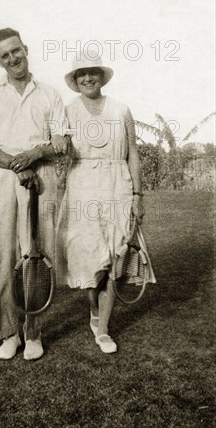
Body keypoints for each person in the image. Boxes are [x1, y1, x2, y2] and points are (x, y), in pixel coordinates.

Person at [0, 28, 67, 361]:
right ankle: (9, 333)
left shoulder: (50, 95)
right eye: (5, 55)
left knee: (36, 256)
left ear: (26, 49)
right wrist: (17, 164)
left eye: (16, 51)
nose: (13, 58)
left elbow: (60, 144)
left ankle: (33, 333)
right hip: (1, 178)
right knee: (4, 255)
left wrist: (33, 156)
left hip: (40, 178)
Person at [56, 52, 156, 354]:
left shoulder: (121, 109)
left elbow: (133, 154)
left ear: (101, 76)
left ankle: (103, 329)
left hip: (118, 185)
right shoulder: (68, 111)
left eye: (92, 72)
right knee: (89, 259)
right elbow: (59, 145)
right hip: (82, 186)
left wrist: (137, 195)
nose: (88, 78)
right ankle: (93, 309)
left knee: (115, 255)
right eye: (81, 73)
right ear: (75, 80)